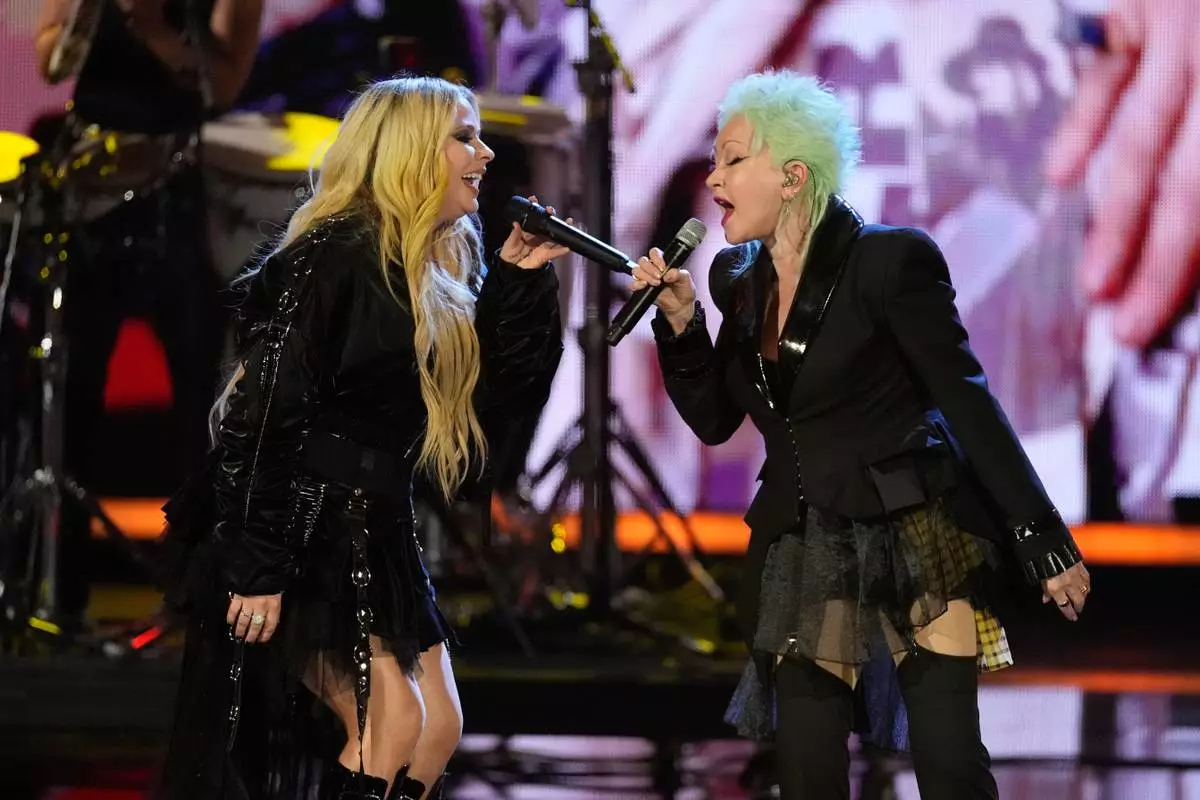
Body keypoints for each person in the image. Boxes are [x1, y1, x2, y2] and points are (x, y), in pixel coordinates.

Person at [631, 69, 1092, 799]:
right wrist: (684, 327)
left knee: (948, 765)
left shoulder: (890, 260)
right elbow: (718, 421)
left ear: (791, 176)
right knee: (808, 770)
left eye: (731, 159)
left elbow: (966, 401)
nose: (712, 177)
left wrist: (1041, 537)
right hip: (806, 539)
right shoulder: (735, 279)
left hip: (915, 530)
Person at [155, 76, 565, 799]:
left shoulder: (430, 268)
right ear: (409, 150)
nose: (487, 152)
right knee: (390, 723)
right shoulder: (335, 255)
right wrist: (259, 563)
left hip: (374, 522)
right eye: (464, 136)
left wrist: (518, 283)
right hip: (301, 519)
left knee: (434, 727)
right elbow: (265, 413)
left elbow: (493, 403)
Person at [31, 0, 263, 629]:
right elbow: (52, 63)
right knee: (72, 394)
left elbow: (225, 83)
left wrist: (149, 25)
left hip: (173, 189)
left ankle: (193, 593)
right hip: (88, 194)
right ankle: (60, 592)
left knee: (197, 404)